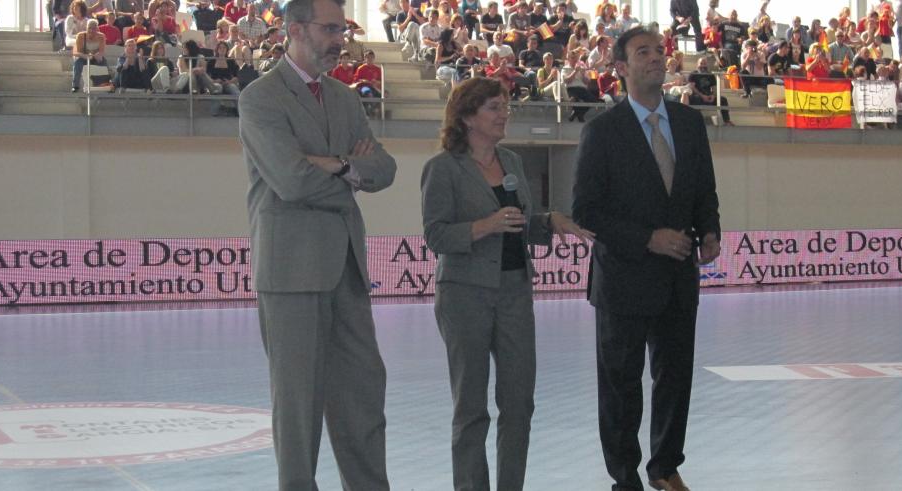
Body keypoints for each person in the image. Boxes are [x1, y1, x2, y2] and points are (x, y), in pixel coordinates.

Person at [238, 0, 396, 488]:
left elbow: (383, 170)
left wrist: (337, 165)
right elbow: (291, 181)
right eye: (329, 29)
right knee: (298, 408)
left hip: (345, 268)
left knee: (364, 397)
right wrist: (350, 170)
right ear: (295, 29)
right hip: (290, 272)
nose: (339, 39)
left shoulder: (346, 98)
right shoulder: (261, 97)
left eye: (342, 29)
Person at [420, 76, 592, 491]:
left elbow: (519, 225)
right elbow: (436, 235)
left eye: (506, 107)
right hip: (464, 294)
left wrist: (549, 222)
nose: (504, 115)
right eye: (494, 107)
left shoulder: (512, 162)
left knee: (519, 404)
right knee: (471, 407)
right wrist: (485, 226)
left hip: (515, 291)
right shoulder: (442, 168)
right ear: (466, 117)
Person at [571, 25, 721, 491]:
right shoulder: (601, 130)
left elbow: (703, 190)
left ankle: (665, 466)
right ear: (621, 67)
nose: (656, 57)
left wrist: (711, 228)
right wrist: (647, 239)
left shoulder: (691, 123)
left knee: (674, 379)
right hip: (623, 279)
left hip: (678, 277)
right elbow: (586, 211)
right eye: (643, 52)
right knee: (620, 385)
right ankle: (624, 476)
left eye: (659, 50)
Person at [72, 19, 109, 92]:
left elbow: (102, 51)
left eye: (94, 28)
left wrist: (98, 55)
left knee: (104, 63)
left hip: (95, 57)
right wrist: (86, 56)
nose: (91, 30)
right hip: (83, 57)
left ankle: (105, 84)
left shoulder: (101, 36)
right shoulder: (80, 36)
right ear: (86, 28)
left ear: (97, 29)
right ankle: (75, 85)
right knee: (77, 64)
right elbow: (76, 52)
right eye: (89, 28)